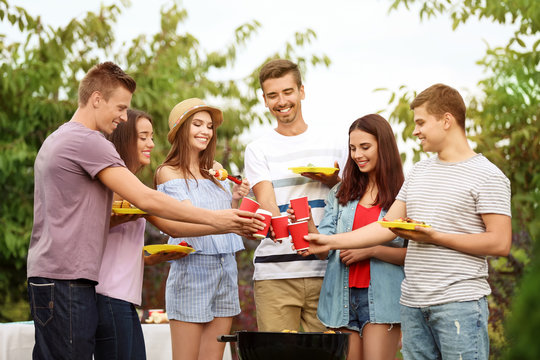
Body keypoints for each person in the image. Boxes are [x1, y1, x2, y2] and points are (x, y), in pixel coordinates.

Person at [26, 62, 263, 360]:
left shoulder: (62, 138)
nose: (124, 117)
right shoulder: (87, 141)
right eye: (121, 107)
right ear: (97, 99)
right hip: (66, 279)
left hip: (58, 276)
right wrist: (222, 220)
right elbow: (146, 199)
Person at [305, 83, 512, 359]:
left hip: (459, 303)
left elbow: (499, 242)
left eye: (421, 122)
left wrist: (435, 237)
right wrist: (329, 240)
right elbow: (385, 226)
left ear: (447, 120)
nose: (415, 131)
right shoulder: (419, 172)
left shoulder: (488, 175)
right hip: (412, 305)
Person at [243, 58, 348, 332]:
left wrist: (334, 181)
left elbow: (351, 202)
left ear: (302, 91)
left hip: (328, 272)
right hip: (275, 275)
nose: (281, 101)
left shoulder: (335, 143)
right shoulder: (257, 149)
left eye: (287, 92)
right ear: (264, 100)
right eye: (273, 95)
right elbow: (267, 202)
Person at [298, 114, 406, 360]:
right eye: (353, 148)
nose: (357, 155)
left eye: (365, 147)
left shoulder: (403, 195)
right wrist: (307, 222)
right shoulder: (341, 191)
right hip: (342, 299)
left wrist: (372, 250)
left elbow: (414, 255)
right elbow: (323, 248)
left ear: (384, 146)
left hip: (382, 300)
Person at [154, 98, 251, 360]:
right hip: (192, 270)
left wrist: (235, 198)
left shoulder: (216, 170)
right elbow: (186, 221)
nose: (205, 131)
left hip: (226, 268)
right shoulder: (168, 173)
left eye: (209, 126)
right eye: (197, 124)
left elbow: (224, 217)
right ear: (181, 129)